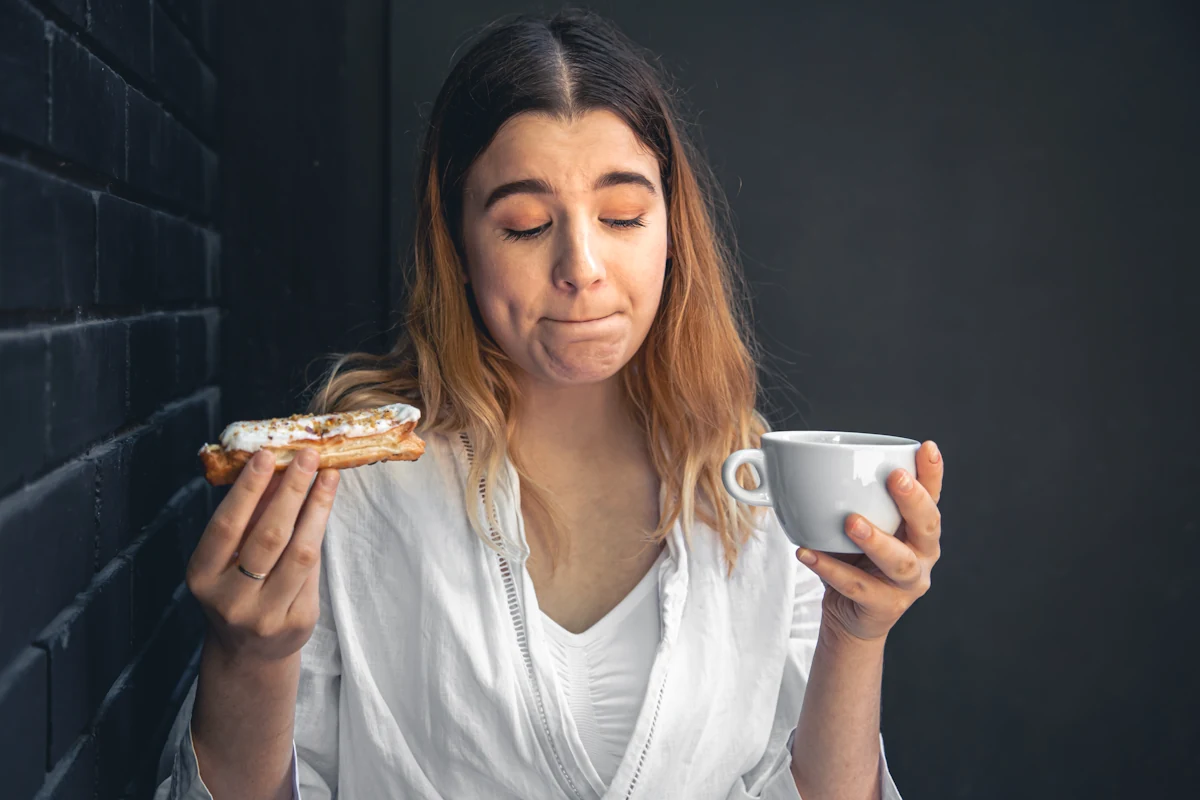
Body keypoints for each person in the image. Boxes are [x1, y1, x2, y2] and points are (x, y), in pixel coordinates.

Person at [157, 9, 943, 800]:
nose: (582, 266)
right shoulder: (354, 492)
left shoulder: (756, 490)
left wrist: (856, 634)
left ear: (672, 231)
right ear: (458, 246)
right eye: (527, 226)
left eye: (622, 216)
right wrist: (249, 661)